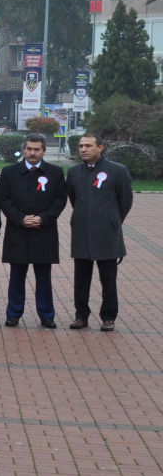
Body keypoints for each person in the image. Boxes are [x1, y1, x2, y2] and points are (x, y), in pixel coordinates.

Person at [65, 132, 133, 331]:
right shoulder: (74, 172)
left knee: (108, 279)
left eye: (88, 146)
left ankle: (108, 317)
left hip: (107, 234)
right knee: (81, 278)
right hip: (82, 232)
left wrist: (112, 220)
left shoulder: (118, 171)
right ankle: (81, 316)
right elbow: (73, 199)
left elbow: (125, 201)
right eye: (81, 146)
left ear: (100, 148)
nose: (83, 149)